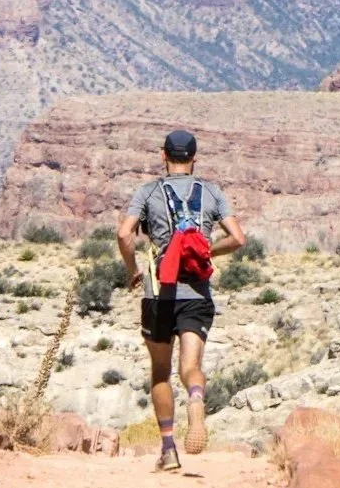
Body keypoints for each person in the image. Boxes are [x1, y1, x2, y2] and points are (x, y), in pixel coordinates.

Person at [118, 128, 246, 472]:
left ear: (163, 155)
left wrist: (133, 270)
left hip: (159, 294)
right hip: (197, 295)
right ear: (193, 158)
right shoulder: (211, 192)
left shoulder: (148, 192)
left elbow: (124, 234)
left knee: (160, 372)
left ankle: (169, 448)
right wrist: (208, 249)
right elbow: (237, 239)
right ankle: (196, 397)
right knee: (190, 367)